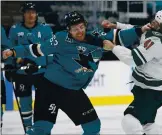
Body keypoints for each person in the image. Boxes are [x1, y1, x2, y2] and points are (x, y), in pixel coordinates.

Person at [3, 11, 148, 135]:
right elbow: (37, 49)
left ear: (85, 24)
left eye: (81, 27)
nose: (79, 31)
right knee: (42, 129)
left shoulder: (97, 38)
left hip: (73, 91)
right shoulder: (60, 39)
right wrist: (13, 51)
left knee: (93, 127)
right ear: (68, 30)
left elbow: (122, 36)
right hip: (49, 88)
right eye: (74, 29)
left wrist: (143, 29)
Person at [103, 10, 162, 135]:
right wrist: (117, 25)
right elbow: (138, 29)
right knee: (148, 125)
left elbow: (132, 59)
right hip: (151, 90)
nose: (153, 23)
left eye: (158, 22)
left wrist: (113, 48)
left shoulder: (157, 42)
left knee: (129, 121)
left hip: (150, 93)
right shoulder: (159, 33)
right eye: (155, 19)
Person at [8, 2, 53, 131]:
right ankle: (28, 130)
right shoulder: (15, 29)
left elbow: (51, 50)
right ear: (23, 14)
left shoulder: (45, 29)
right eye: (28, 12)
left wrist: (52, 68)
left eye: (33, 12)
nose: (31, 15)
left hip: (42, 73)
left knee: (42, 104)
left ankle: (41, 130)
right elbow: (9, 50)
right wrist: (9, 66)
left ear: (37, 14)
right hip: (22, 74)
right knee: (25, 103)